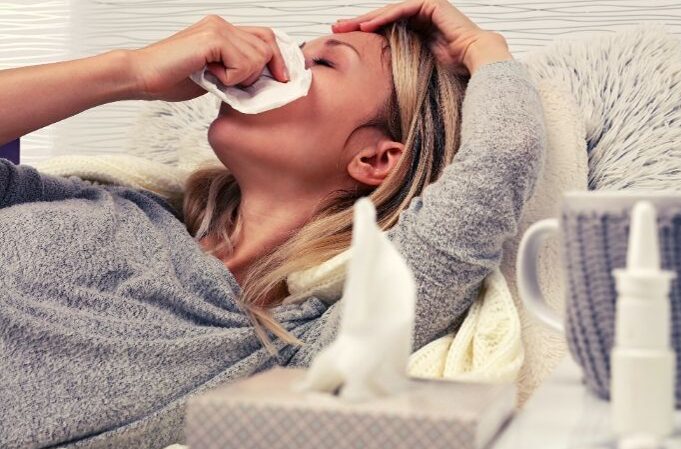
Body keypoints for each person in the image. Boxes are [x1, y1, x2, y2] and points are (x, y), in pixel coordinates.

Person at [0, 0, 546, 447]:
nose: (271, 65)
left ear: (377, 159)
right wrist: (130, 72)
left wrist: (482, 48)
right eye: (294, 53)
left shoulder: (287, 344)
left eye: (324, 64)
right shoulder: (112, 207)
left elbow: (505, 153)